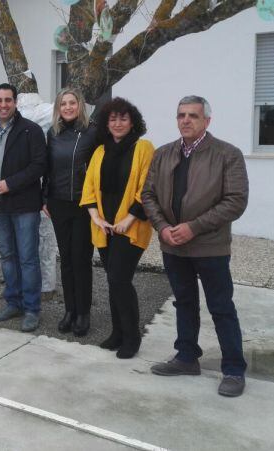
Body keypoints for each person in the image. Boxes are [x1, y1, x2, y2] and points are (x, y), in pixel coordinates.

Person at [143, 96, 249, 397]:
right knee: (184, 303)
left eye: (193, 115)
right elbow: (148, 195)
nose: (186, 120)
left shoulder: (228, 154)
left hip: (210, 247)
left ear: (207, 121)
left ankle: (233, 369)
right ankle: (187, 357)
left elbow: (235, 201)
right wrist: (163, 228)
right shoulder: (163, 154)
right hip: (173, 246)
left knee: (221, 308)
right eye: (181, 115)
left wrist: (193, 227)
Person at [79, 97, 154, 359]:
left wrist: (128, 219)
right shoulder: (100, 151)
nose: (118, 123)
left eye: (123, 118)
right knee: (113, 281)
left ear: (132, 121)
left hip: (130, 227)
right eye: (113, 119)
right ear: (106, 123)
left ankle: (132, 337)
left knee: (120, 279)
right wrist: (95, 217)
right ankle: (117, 333)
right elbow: (89, 186)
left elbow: (148, 188)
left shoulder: (143, 148)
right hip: (105, 226)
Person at [0, 83, 46, 332]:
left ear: (15, 102)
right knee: (7, 256)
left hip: (25, 205)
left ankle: (31, 309)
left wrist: (9, 184)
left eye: (8, 100)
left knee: (27, 258)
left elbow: (39, 166)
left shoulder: (31, 130)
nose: (3, 104)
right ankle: (13, 302)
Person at [43, 88, 97, 336]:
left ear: (80, 105)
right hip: (58, 203)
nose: (67, 107)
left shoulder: (92, 132)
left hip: (83, 205)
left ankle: (83, 313)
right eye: (63, 103)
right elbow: (48, 168)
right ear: (58, 108)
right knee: (66, 259)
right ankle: (70, 310)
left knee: (81, 259)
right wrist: (45, 197)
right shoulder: (52, 134)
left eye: (71, 103)